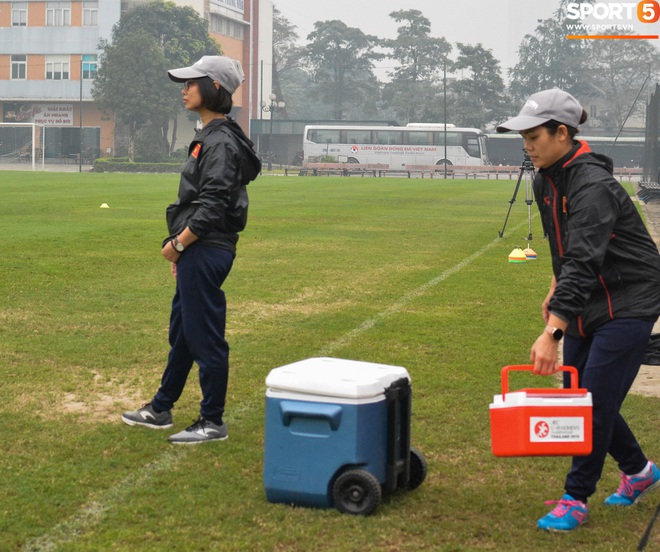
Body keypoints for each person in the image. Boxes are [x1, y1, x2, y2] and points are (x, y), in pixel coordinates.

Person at [497, 88, 660, 531]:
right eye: (523, 138)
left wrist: (553, 332)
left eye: (534, 137)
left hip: (630, 299)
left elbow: (585, 259)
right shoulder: (545, 178)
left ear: (562, 133)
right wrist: (555, 286)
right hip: (591, 295)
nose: (527, 146)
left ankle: (576, 497)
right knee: (581, 396)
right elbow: (564, 250)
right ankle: (641, 471)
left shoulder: (593, 186)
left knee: (593, 405)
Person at [122, 55, 261, 444]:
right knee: (185, 330)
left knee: (205, 335)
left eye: (192, 83)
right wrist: (183, 250)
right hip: (199, 250)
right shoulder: (213, 136)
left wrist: (180, 244)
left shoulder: (219, 141)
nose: (184, 90)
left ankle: (212, 421)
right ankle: (161, 407)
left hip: (206, 247)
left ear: (214, 88)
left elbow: (214, 202)